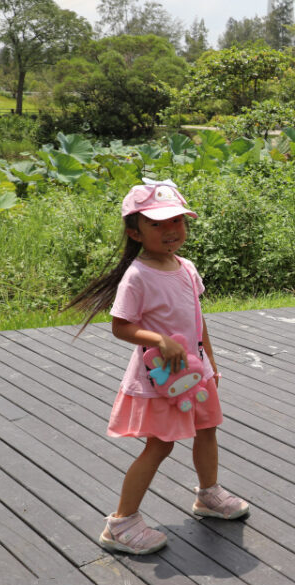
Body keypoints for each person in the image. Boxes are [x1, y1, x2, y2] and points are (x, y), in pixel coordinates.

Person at [68, 179, 249, 555]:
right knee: (160, 446)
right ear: (135, 232)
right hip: (161, 380)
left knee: (207, 429)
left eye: (178, 222)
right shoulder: (137, 276)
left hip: (195, 373)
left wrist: (211, 360)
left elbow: (198, 319)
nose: (171, 231)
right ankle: (121, 523)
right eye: (158, 224)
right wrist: (158, 341)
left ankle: (208, 494)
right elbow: (121, 326)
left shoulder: (186, 267)